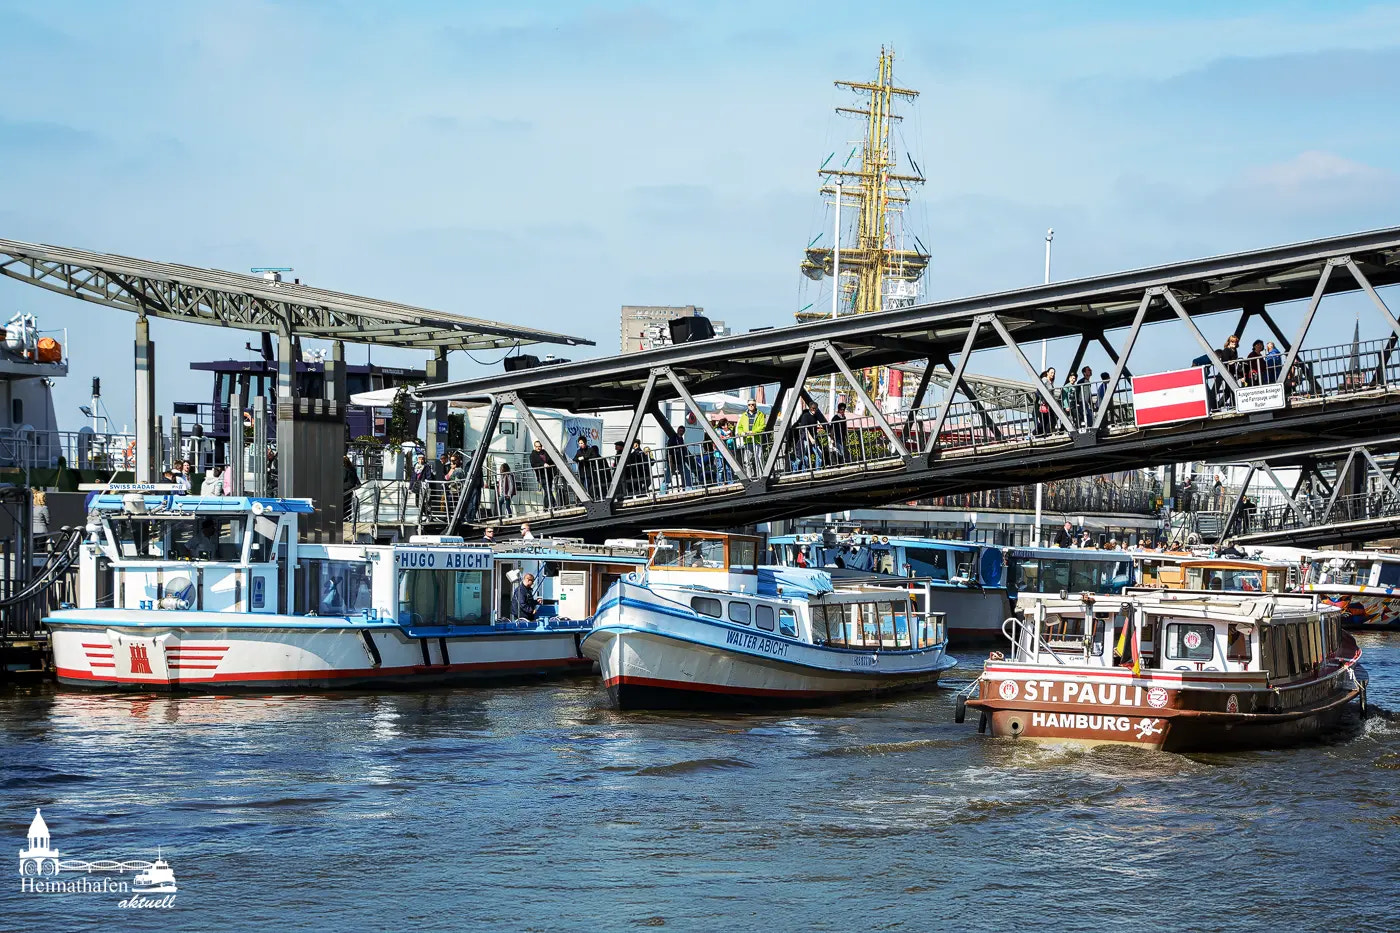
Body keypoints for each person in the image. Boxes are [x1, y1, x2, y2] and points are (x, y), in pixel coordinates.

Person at [736, 399, 767, 474]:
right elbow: (739, 427)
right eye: (749, 405)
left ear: (755, 405)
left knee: (758, 459)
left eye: (752, 404)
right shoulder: (744, 415)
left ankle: (760, 476)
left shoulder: (760, 414)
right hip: (747, 440)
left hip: (756, 440)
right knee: (747, 461)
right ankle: (750, 477)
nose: (751, 406)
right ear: (747, 406)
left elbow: (762, 426)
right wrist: (742, 433)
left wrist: (753, 432)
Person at [529, 440, 556, 508]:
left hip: (549, 475)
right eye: (536, 446)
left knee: (547, 491)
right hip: (541, 476)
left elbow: (551, 461)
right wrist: (543, 464)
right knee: (548, 490)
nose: (538, 448)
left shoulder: (545, 453)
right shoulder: (533, 455)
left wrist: (553, 470)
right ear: (534, 447)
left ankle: (546, 507)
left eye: (539, 446)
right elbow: (533, 464)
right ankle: (554, 505)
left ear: (541, 446)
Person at [1216, 334, 1241, 408]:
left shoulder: (1234, 350)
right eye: (1232, 341)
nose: (1234, 343)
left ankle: (1231, 405)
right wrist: (1233, 362)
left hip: (1232, 372)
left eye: (1235, 342)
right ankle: (1219, 405)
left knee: (1230, 390)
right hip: (1227, 372)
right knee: (1229, 390)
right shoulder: (1227, 350)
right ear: (1229, 342)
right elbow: (1225, 361)